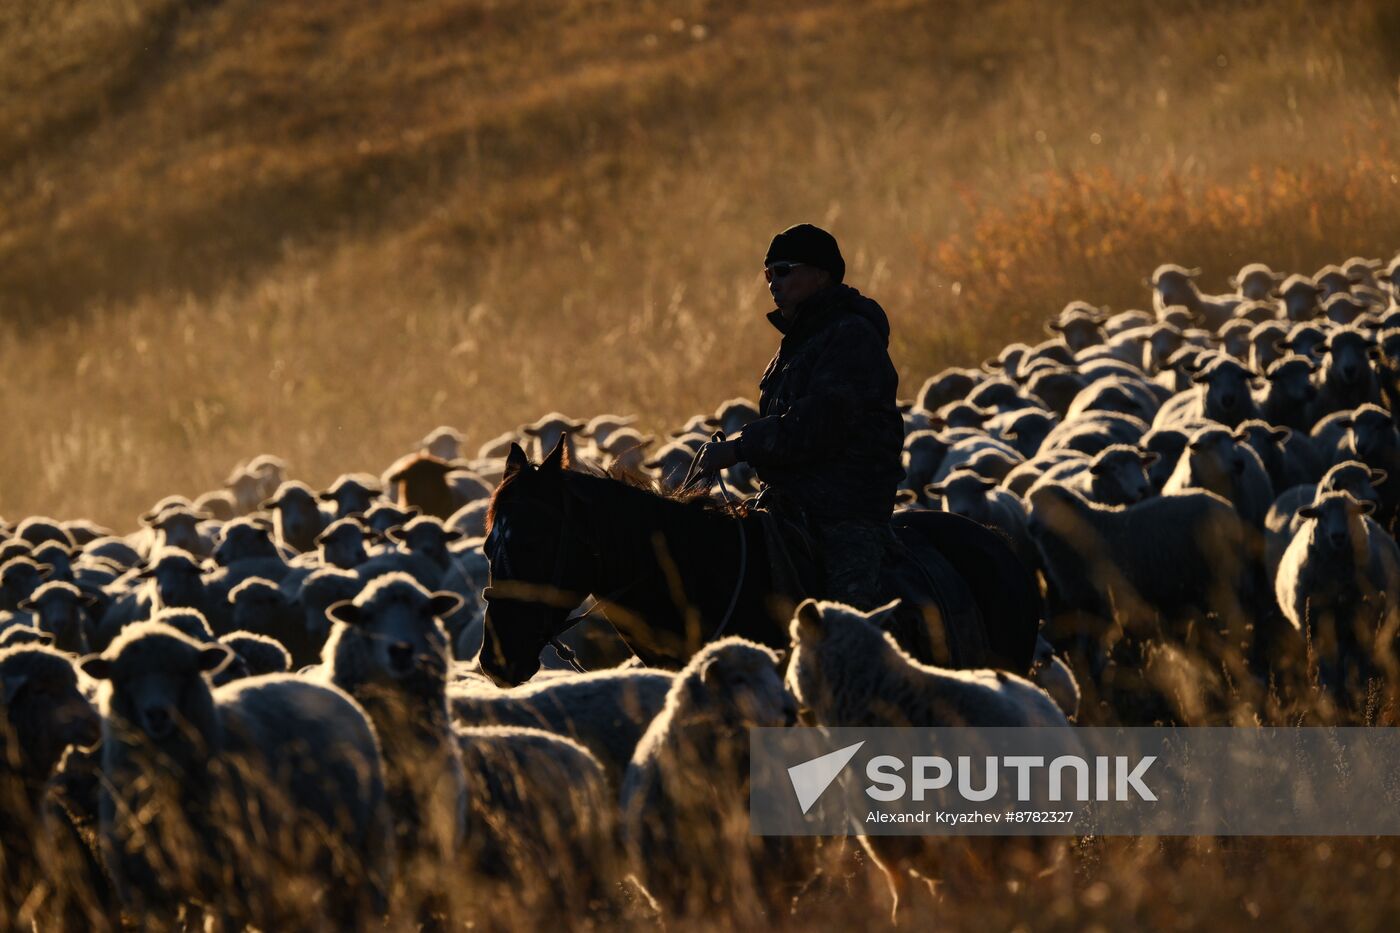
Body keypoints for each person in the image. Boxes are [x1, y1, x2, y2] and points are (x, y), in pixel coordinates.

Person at [693, 223, 905, 610]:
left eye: (785, 270)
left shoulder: (850, 335)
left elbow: (818, 424)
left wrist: (740, 449)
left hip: (846, 509)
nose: (773, 282)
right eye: (768, 273)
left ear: (821, 274)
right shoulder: (796, 345)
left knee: (849, 628)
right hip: (790, 506)